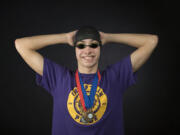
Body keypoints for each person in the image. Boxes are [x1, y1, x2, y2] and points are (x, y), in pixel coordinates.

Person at [15, 26, 158, 135]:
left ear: (100, 48)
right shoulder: (59, 78)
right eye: (81, 45)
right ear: (75, 49)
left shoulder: (116, 77)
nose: (87, 51)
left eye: (94, 45)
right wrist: (64, 38)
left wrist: (109, 37)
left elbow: (151, 41)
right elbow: (21, 45)